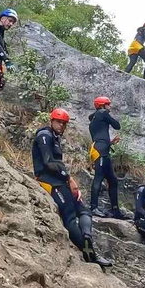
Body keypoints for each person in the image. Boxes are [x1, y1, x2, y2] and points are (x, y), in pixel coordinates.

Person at [32, 108, 112, 268]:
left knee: (83, 209)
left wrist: (69, 181)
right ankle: (89, 253)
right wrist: (69, 180)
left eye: (64, 123)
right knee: (69, 217)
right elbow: (48, 162)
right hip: (49, 182)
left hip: (60, 181)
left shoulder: (54, 137)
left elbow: (58, 165)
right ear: (51, 120)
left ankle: (87, 237)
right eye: (58, 122)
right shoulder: (44, 135)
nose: (61, 125)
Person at [88, 96, 125, 219]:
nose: (110, 106)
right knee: (99, 177)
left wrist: (111, 142)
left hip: (101, 148)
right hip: (101, 150)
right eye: (108, 104)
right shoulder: (103, 113)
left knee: (113, 181)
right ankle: (93, 208)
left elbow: (100, 137)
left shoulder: (94, 118)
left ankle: (115, 210)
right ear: (102, 105)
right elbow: (117, 125)